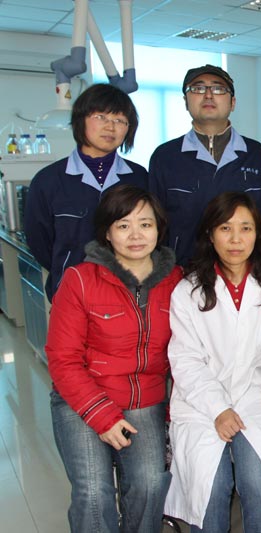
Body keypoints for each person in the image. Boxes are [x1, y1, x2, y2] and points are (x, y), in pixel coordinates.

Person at [45, 185, 182, 532]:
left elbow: (187, 353)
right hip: (83, 398)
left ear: (159, 229)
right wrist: (103, 417)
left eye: (145, 224)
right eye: (123, 225)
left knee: (151, 484)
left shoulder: (176, 281)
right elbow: (63, 359)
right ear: (107, 232)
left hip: (145, 400)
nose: (136, 235)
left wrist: (176, 410)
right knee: (94, 494)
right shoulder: (80, 279)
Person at [165, 192, 261, 532]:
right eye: (225, 228)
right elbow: (186, 361)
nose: (236, 239)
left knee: (257, 478)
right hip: (201, 404)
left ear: (257, 234)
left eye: (245, 228)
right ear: (210, 234)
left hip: (256, 395)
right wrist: (218, 409)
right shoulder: (188, 291)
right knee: (211, 484)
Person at [25, 83, 147, 301]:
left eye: (120, 120)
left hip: (128, 294)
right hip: (70, 294)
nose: (110, 127)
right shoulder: (48, 180)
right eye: (101, 117)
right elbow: (39, 242)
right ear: (81, 120)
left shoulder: (139, 177)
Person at [149, 64, 261, 266]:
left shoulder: (255, 154)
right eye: (198, 89)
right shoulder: (165, 156)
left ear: (232, 102)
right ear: (185, 101)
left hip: (245, 271)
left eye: (218, 89)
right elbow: (154, 222)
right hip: (184, 270)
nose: (208, 95)